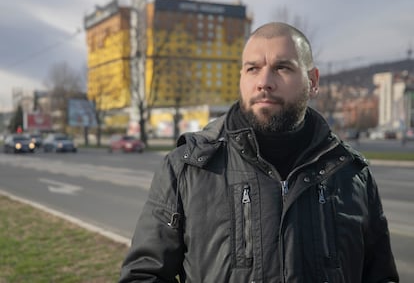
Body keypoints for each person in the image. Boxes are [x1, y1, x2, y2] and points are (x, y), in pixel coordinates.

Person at [119, 22, 399, 282]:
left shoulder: (352, 174)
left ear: (313, 81)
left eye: (282, 68)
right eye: (253, 68)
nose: (264, 81)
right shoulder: (186, 168)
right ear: (241, 77)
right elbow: (144, 275)